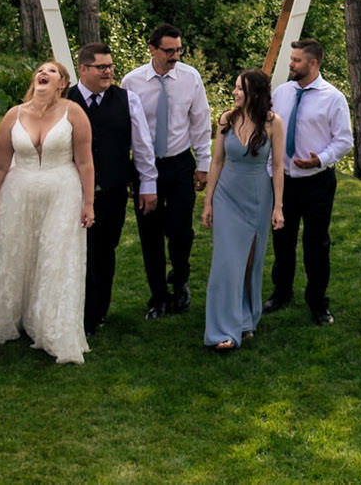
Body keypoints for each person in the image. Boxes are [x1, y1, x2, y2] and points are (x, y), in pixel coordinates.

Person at [0, 60, 95, 363]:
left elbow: (85, 162)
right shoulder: (14, 114)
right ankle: (6, 317)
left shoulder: (73, 112)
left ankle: (50, 327)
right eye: (40, 70)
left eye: (51, 71)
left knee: (55, 257)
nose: (43, 73)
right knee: (13, 253)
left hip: (62, 193)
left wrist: (88, 202)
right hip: (18, 192)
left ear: (62, 83)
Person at [119, 24, 210, 319]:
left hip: (180, 162)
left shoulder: (190, 77)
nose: (175, 56)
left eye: (178, 50)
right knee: (150, 233)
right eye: (169, 51)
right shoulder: (131, 82)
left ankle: (180, 279)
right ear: (152, 49)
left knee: (182, 231)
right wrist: (130, 175)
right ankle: (158, 296)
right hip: (146, 166)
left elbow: (200, 121)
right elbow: (125, 130)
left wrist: (204, 164)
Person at [66, 42, 155, 335]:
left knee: (105, 251)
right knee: (79, 251)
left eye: (110, 67)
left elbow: (142, 146)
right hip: (71, 191)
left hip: (114, 190)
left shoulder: (128, 100)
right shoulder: (65, 99)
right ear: (83, 69)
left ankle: (99, 310)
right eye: (101, 67)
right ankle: (79, 314)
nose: (108, 72)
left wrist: (147, 184)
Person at [200, 68, 285, 352]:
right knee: (226, 263)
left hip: (258, 198)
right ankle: (222, 330)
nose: (235, 92)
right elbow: (217, 162)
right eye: (235, 87)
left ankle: (247, 318)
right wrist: (209, 201)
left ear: (256, 93)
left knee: (250, 262)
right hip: (227, 197)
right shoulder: (226, 119)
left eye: (240, 88)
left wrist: (278, 207)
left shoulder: (273, 123)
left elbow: (277, 166)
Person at [269, 38, 353, 325]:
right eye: (291, 59)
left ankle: (317, 302)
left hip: (317, 182)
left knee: (316, 244)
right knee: (282, 240)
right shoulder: (280, 93)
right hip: (284, 182)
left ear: (313, 63)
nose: (290, 64)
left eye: (296, 60)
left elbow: (344, 141)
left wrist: (320, 159)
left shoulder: (333, 98)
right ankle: (281, 292)